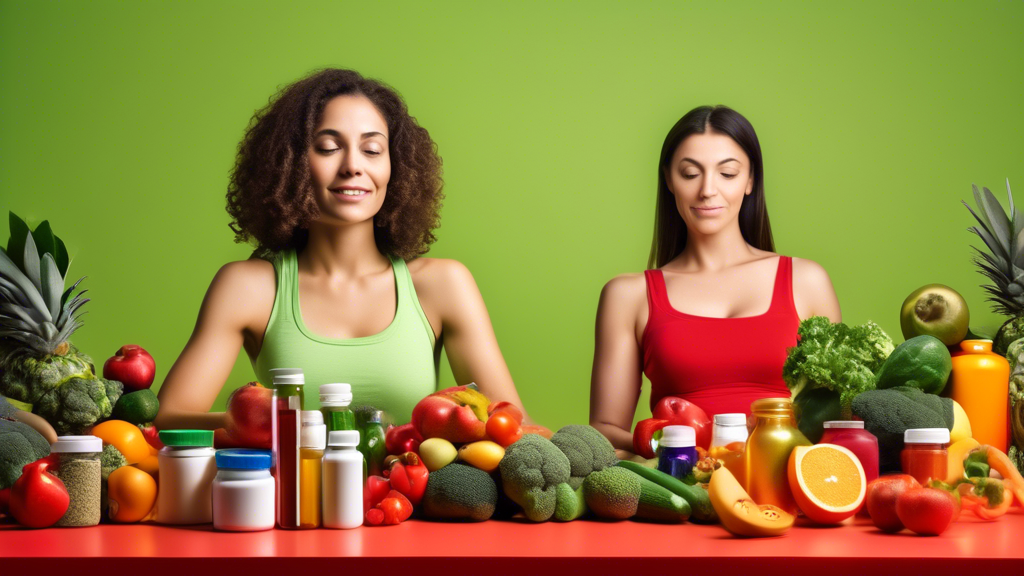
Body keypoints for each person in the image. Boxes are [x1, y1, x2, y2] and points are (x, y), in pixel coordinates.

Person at [155, 69, 530, 432]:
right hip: (291, 494)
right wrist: (251, 425)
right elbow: (170, 416)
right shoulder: (249, 287)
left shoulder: (442, 284)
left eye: (372, 149)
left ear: (394, 168)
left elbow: (512, 427)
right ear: (291, 164)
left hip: (406, 495)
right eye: (329, 148)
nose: (353, 166)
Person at [589, 105, 841, 455]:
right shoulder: (628, 295)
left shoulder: (806, 281)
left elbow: (835, 416)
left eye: (728, 173)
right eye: (690, 173)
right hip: (683, 489)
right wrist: (683, 451)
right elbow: (604, 431)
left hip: (786, 485)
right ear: (668, 180)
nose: (708, 190)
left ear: (750, 180)